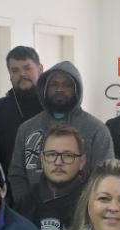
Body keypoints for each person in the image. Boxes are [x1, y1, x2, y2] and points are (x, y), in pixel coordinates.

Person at [9, 61, 113, 209]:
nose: (59, 89)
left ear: (77, 89)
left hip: (82, 213)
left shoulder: (97, 130)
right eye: (54, 84)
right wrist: (28, 207)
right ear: (44, 88)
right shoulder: (27, 129)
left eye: (67, 85)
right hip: (33, 214)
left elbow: (104, 177)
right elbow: (17, 173)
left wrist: (85, 210)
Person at [17, 125, 89, 230]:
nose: (58, 162)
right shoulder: (25, 203)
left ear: (82, 161)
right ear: (42, 159)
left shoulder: (91, 203)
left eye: (67, 155)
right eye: (51, 154)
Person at [0, 46, 45, 170]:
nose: (22, 74)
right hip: (10, 185)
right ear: (10, 75)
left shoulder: (53, 106)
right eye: (15, 70)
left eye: (27, 68)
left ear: (40, 69)